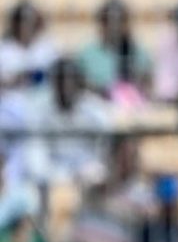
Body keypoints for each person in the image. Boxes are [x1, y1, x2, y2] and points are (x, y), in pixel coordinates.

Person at [17, 58, 112, 187]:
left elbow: (102, 150)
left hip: (88, 174)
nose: (65, 86)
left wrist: (89, 171)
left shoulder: (94, 111)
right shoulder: (40, 111)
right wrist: (60, 177)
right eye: (60, 80)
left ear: (78, 82)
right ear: (53, 83)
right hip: (53, 177)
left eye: (70, 80)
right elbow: (35, 156)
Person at [69, 134, 156, 242]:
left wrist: (105, 204)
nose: (126, 162)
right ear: (112, 156)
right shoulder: (96, 175)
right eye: (122, 156)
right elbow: (81, 183)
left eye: (131, 157)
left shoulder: (142, 192)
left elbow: (146, 217)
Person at [76, 0, 154, 99]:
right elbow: (80, 86)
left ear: (126, 24)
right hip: (96, 107)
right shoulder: (85, 55)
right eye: (109, 21)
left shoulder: (139, 53)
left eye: (119, 21)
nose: (114, 27)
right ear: (102, 24)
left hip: (133, 109)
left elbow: (146, 85)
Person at [0, 0, 57, 90]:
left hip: (41, 100)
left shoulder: (48, 47)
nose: (23, 26)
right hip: (10, 100)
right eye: (20, 21)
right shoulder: (3, 48)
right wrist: (14, 80)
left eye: (28, 21)